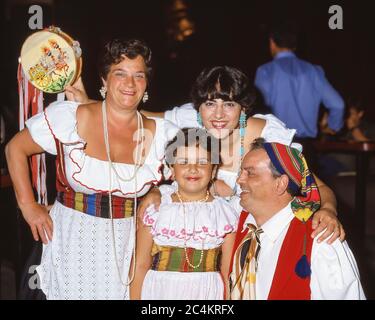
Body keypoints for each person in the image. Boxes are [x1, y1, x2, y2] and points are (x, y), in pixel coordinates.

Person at [67, 65, 345, 242]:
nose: (219, 115)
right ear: (198, 107)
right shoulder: (189, 120)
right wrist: (87, 101)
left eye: (229, 104)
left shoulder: (268, 136)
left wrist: (329, 210)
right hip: (208, 237)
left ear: (243, 108)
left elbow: (316, 187)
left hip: (261, 235)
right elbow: (134, 117)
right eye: (210, 103)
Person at [5, 39, 178, 300]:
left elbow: (192, 179)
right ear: (104, 80)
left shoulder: (162, 133)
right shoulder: (71, 117)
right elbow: (15, 148)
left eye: (138, 76)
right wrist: (28, 206)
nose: (130, 84)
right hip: (70, 241)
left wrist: (157, 192)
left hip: (126, 248)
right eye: (120, 74)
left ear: (146, 84)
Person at [230, 138, 366, 300]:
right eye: (241, 173)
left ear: (281, 184)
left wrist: (329, 209)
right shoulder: (237, 220)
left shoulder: (320, 238)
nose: (239, 180)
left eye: (250, 173)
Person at [130, 128, 238, 299]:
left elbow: (227, 272)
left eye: (202, 162)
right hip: (159, 292)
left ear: (214, 169)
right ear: (172, 168)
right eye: (183, 162)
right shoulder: (156, 209)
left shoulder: (225, 215)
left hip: (207, 293)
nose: (193, 169)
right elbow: (140, 265)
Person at [254, 23, 345, 139]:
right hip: (306, 146)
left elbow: (259, 110)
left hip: (276, 144)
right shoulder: (314, 71)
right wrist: (334, 127)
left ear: (272, 43)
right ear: (295, 46)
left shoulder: (265, 71)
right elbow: (338, 104)